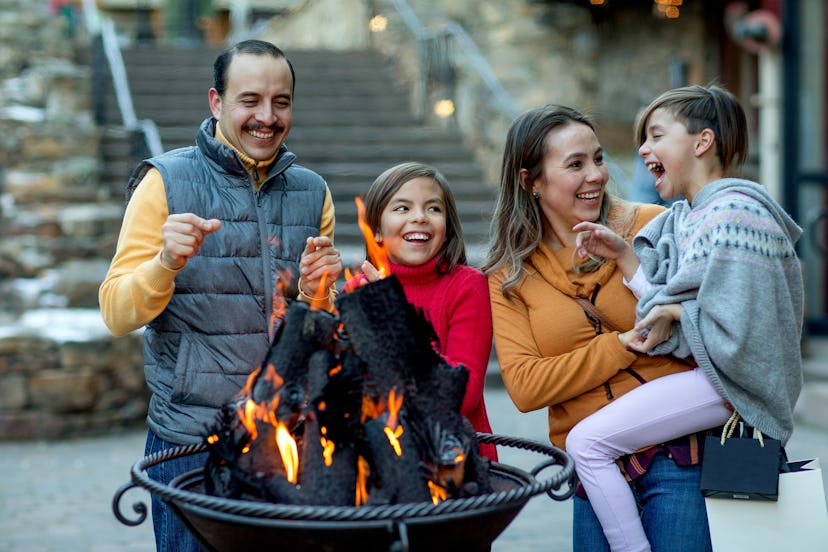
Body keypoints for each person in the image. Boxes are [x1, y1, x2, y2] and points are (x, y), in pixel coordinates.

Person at [99, 40, 342, 552]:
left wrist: (319, 295)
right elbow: (116, 312)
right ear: (216, 102)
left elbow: (318, 329)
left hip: (288, 442)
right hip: (193, 442)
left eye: (281, 102)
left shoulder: (313, 191)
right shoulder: (164, 181)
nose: (267, 117)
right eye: (249, 99)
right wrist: (164, 264)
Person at [567, 84, 803, 551]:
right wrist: (626, 259)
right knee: (589, 444)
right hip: (716, 378)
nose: (643, 149)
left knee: (587, 443)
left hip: (731, 385)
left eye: (656, 135)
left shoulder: (736, 214)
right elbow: (673, 311)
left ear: (702, 142)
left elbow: (746, 330)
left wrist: (678, 310)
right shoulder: (689, 217)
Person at [483, 104, 718, 551]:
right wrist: (622, 346)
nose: (596, 175)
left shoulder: (651, 225)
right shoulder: (508, 275)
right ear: (530, 181)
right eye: (575, 164)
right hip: (595, 478)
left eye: (598, 158)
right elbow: (527, 388)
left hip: (681, 456)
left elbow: (702, 330)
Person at [344, 162, 497, 461]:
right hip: (385, 462)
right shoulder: (359, 290)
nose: (419, 217)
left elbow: (462, 395)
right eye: (402, 208)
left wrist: (397, 319)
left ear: (447, 226)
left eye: (433, 209)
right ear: (375, 229)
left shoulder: (467, 285)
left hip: (455, 463)